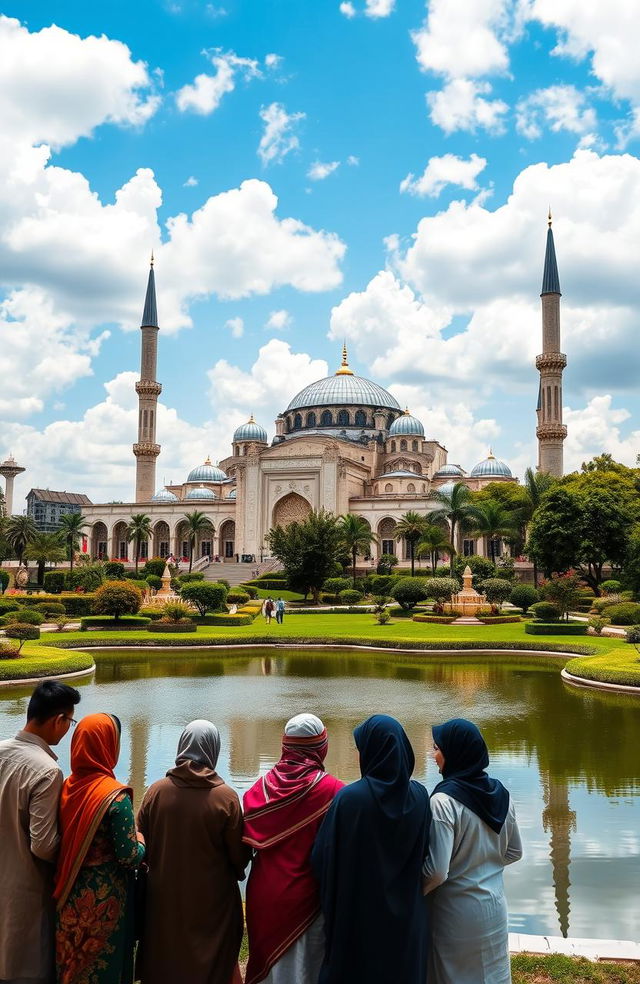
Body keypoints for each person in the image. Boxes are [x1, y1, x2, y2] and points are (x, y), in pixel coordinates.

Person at [312, 714, 431, 984]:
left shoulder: (350, 799)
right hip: (408, 918)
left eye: (360, 750)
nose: (358, 757)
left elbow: (322, 858)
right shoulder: (421, 797)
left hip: (358, 918)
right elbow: (425, 850)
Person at [136, 720, 248, 984]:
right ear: (213, 749)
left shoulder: (156, 792)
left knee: (167, 958)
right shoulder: (226, 798)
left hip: (164, 899)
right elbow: (238, 858)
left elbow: (141, 843)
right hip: (212, 903)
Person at [243, 714, 344, 984]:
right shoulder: (333, 791)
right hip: (308, 898)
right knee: (304, 971)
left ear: (285, 745)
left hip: (263, 895)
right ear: (321, 747)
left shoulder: (259, 790)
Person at [423, 718, 523, 984]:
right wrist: (484, 865)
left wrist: (410, 894)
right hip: (494, 907)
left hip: (455, 913)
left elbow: (436, 872)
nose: (433, 756)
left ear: (455, 752)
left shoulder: (443, 802)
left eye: (437, 748)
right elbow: (514, 852)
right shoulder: (502, 794)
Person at [54, 713, 145, 984]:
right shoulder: (115, 797)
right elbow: (129, 856)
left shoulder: (65, 788)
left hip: (70, 892)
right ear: (108, 745)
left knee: (72, 966)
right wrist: (141, 841)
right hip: (105, 902)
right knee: (104, 968)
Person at [0, 680, 80, 984]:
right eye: (69, 722)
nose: (67, 730)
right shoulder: (46, 770)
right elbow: (44, 845)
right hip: (25, 894)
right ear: (59, 720)